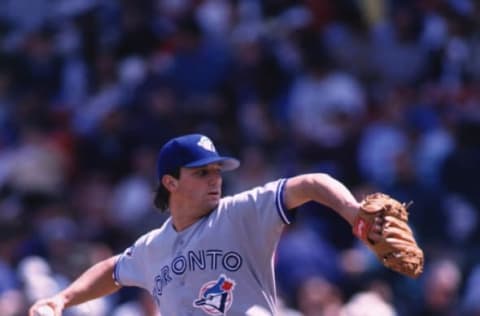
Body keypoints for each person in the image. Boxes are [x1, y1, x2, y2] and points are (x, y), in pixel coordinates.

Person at [29, 133, 381, 316]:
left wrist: (353, 213)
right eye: (202, 173)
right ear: (170, 182)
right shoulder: (153, 246)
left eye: (217, 171)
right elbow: (113, 270)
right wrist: (62, 299)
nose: (215, 180)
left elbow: (311, 184)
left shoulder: (240, 212)